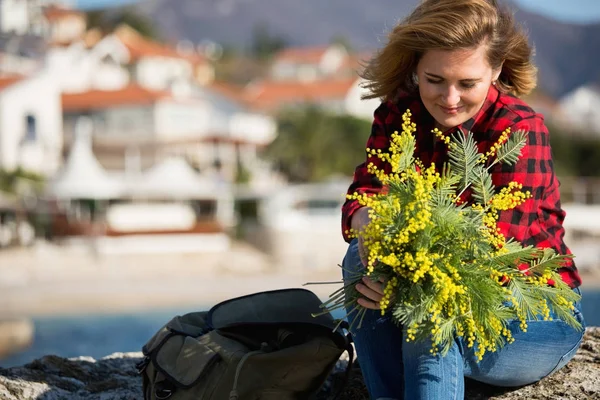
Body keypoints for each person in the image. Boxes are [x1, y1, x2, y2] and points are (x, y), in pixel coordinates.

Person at [340, 0, 586, 399]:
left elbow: (490, 259)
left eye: (467, 84)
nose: (449, 98)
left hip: (533, 313)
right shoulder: (396, 114)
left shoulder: (519, 130)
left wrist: (403, 291)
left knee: (429, 315)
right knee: (359, 261)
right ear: (414, 67)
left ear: (496, 70)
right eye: (434, 79)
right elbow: (364, 194)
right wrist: (365, 220)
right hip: (436, 291)